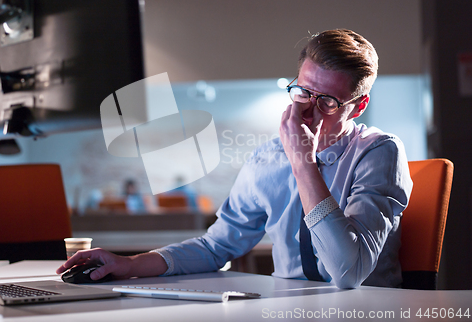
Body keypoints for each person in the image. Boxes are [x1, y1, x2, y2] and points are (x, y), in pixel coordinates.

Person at [57, 29, 413, 289]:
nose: (307, 109)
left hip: (364, 309)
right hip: (285, 306)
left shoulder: (379, 151)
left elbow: (348, 273)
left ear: (359, 105)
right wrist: (128, 264)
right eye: (303, 91)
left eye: (328, 101)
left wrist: (303, 162)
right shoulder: (268, 157)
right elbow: (217, 246)